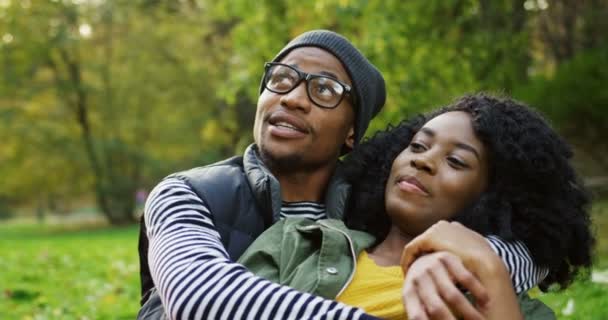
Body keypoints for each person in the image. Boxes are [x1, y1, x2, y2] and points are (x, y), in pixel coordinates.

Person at [137, 29, 543, 319]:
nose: (293, 98)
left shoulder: (379, 201)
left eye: (324, 90)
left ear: (352, 131)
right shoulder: (186, 193)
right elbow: (198, 295)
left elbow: (536, 241)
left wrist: (449, 264)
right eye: (280, 79)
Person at [237, 94, 594, 319]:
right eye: (418, 146)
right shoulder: (299, 243)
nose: (422, 162)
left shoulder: (516, 308)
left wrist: (489, 270)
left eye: (456, 162)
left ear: (496, 198)